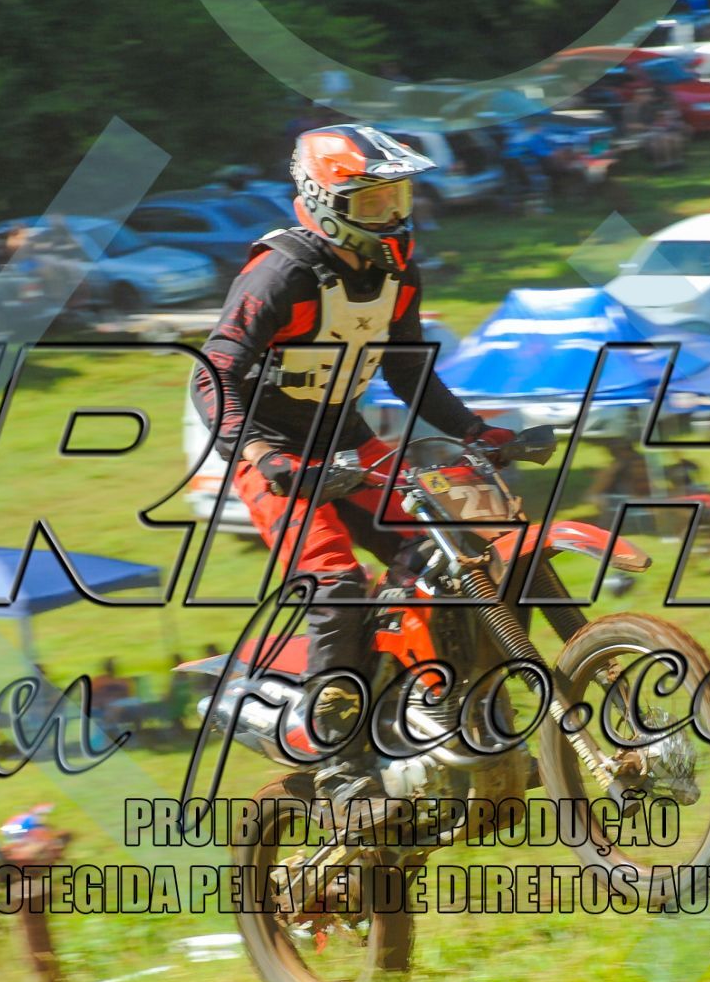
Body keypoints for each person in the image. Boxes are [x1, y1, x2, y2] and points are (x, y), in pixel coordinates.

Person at [188, 124, 510, 759]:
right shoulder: (280, 274)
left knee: (447, 555)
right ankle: (332, 740)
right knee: (335, 580)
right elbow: (212, 375)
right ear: (324, 201)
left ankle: (420, 693)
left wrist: (476, 430)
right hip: (272, 451)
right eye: (372, 202)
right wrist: (261, 456)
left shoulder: (400, 274)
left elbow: (409, 371)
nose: (390, 216)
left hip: (346, 437)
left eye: (397, 199)